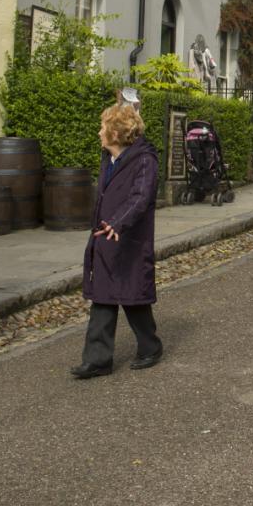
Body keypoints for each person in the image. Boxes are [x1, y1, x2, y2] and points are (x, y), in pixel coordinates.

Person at [72, 103, 163, 378]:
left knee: (133, 297)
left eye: (103, 127)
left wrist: (118, 222)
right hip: (105, 236)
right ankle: (98, 360)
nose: (99, 132)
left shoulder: (145, 160)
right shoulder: (108, 158)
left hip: (129, 239)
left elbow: (141, 198)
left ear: (116, 132)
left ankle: (150, 347)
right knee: (103, 296)